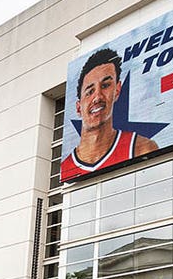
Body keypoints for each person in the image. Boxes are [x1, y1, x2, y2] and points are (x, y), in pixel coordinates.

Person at [60, 48, 158, 181]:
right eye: (89, 92)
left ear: (117, 90)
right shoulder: (66, 169)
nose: (97, 97)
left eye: (105, 85)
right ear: (78, 108)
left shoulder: (140, 148)